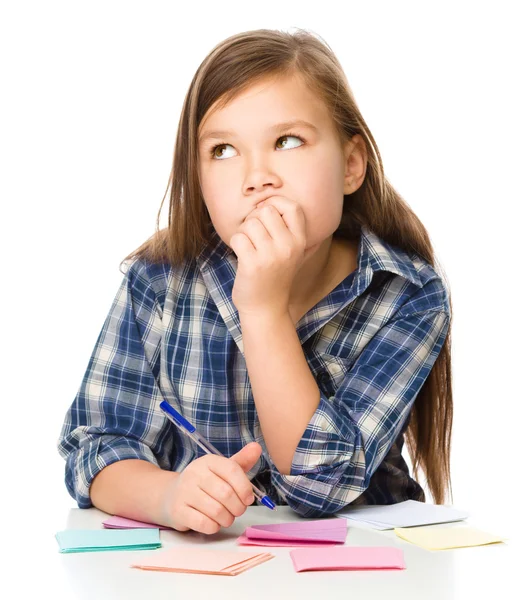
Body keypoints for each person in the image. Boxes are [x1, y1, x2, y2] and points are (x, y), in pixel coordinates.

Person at [57, 28, 453, 535]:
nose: (256, 177)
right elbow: (95, 446)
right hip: (203, 566)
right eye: (223, 150)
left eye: (287, 141)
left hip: (355, 567)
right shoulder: (158, 282)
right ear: (198, 180)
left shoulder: (407, 294)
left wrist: (262, 309)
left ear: (351, 165)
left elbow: (320, 485)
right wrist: (168, 495)